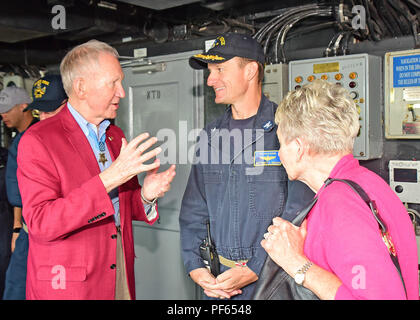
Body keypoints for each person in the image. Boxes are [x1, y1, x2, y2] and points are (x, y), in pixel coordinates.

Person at [17, 40, 176, 300]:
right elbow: (41, 223)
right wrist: (109, 178)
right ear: (81, 87)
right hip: (69, 283)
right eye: (113, 83)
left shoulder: (114, 135)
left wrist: (146, 195)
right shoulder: (39, 139)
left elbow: (121, 206)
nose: (122, 93)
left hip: (118, 268)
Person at [179, 33, 314, 300]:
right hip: (219, 286)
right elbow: (194, 209)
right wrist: (196, 267)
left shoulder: (285, 131)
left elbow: (300, 212)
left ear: (251, 70)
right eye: (209, 71)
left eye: (219, 69)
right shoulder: (211, 135)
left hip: (274, 283)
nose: (210, 80)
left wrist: (255, 267)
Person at [262, 79, 419, 300]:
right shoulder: (368, 183)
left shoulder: (340, 205)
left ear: (298, 148)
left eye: (280, 143)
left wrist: (295, 262)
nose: (279, 154)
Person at [2, 74, 68, 300]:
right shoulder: (27, 141)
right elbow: (17, 192)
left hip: (68, 238)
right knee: (17, 289)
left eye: (51, 110)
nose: (44, 117)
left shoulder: (86, 140)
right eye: (40, 111)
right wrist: (17, 228)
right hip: (33, 233)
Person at [0, 86, 37, 299]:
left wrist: (16, 229)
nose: (3, 114)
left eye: (7, 109)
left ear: (24, 106)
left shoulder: (35, 137)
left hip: (32, 227)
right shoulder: (18, 141)